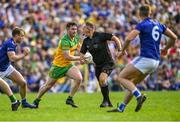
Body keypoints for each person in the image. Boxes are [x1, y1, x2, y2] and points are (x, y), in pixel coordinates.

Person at [108, 5, 177, 112]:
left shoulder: (142, 24)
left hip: (146, 58)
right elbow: (174, 37)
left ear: (139, 14)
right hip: (155, 61)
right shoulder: (159, 24)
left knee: (120, 78)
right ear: (150, 13)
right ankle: (121, 107)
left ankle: (139, 96)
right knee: (132, 83)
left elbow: (128, 38)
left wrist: (122, 51)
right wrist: (165, 49)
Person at [33, 22, 85, 108]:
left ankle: (69, 99)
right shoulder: (64, 40)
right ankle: (36, 101)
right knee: (48, 86)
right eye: (72, 29)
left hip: (68, 65)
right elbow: (67, 56)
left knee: (79, 78)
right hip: (58, 66)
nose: (74, 31)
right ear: (67, 30)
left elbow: (79, 48)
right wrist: (80, 58)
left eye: (75, 29)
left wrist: (83, 57)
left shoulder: (75, 38)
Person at [80, 22, 122, 107]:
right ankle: (108, 102)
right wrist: (82, 59)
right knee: (102, 83)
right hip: (97, 65)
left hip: (108, 62)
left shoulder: (101, 35)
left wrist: (120, 49)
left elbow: (115, 38)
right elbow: (82, 53)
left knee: (102, 79)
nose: (82, 29)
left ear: (90, 29)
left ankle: (105, 102)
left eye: (84, 28)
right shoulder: (86, 41)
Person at [0, 27, 36, 110]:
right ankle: (14, 102)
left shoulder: (13, 43)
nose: (23, 38)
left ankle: (24, 103)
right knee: (5, 85)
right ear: (16, 35)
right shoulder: (10, 43)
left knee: (23, 83)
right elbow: (12, 58)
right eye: (21, 36)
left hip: (6, 67)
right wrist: (24, 55)